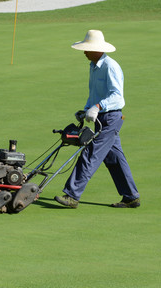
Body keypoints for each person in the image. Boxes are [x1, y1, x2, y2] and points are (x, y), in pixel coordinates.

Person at [55, 30, 140, 209]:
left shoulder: (110, 66)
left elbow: (117, 96)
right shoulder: (93, 66)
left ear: (97, 50)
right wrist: (86, 109)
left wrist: (99, 107)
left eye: (87, 49)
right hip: (100, 117)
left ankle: (72, 195)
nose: (84, 52)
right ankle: (131, 196)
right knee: (114, 158)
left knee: (90, 154)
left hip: (110, 117)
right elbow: (94, 94)